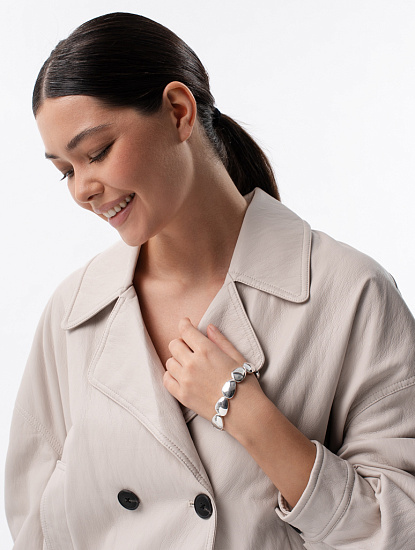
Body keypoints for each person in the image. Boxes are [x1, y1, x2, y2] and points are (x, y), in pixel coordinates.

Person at [5, 11, 415, 550]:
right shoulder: (74, 313)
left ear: (179, 112)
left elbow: (398, 527)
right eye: (65, 171)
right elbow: (35, 527)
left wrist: (249, 416)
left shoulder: (350, 293)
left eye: (97, 152)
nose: (83, 189)